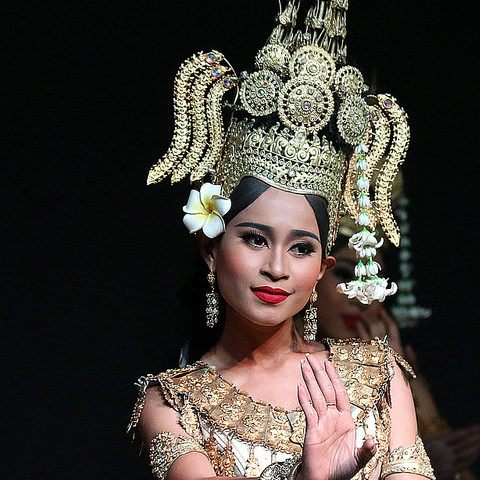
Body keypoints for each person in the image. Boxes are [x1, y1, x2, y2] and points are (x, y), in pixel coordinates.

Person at [127, 2, 436, 479]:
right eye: (254, 239)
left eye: (301, 248)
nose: (278, 267)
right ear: (211, 249)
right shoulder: (172, 405)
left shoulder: (377, 377)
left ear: (323, 269)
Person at [313, 209, 480, 480]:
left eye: (374, 282)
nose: (361, 296)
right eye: (346, 275)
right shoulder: (286, 366)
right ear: (313, 273)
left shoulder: (394, 367)